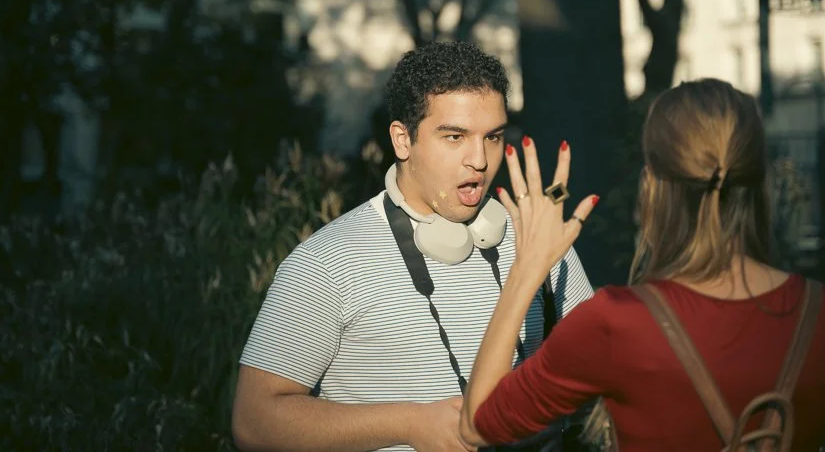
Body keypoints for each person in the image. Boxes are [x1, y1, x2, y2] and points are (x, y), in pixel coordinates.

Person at [460, 78, 825, 452]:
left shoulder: (616, 322)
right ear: (760, 185)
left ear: (652, 187)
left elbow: (479, 423)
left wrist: (527, 266)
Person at [231, 41, 595, 452]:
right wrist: (409, 423)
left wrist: (552, 414)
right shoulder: (326, 262)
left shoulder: (538, 237)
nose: (479, 160)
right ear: (402, 140)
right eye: (454, 137)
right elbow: (254, 421)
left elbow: (601, 375)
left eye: (493, 137)